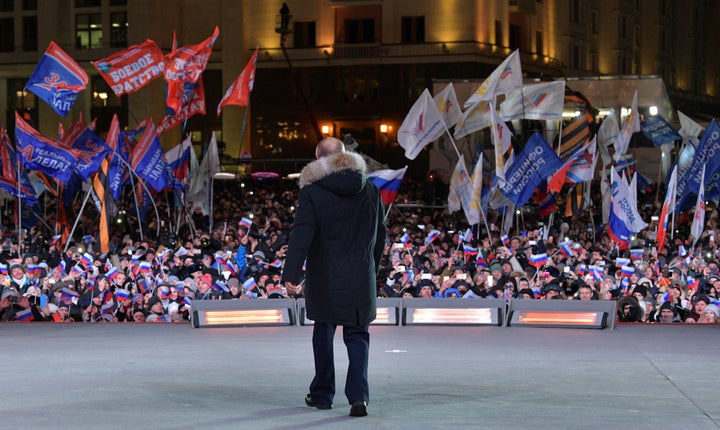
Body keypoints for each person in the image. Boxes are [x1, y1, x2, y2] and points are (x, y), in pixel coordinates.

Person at [282, 137, 386, 418]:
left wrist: (291, 274)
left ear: (320, 161)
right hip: (360, 276)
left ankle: (322, 395)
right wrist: (370, 270)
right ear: (344, 156)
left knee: (323, 333)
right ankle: (358, 397)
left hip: (325, 275)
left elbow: (301, 235)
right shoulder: (372, 191)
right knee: (358, 335)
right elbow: (380, 238)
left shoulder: (312, 193)